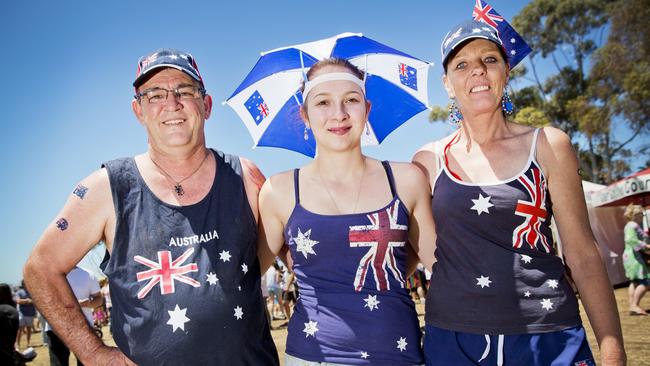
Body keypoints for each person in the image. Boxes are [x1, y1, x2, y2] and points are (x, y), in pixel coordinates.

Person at [23, 48, 279, 365]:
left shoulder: (246, 177)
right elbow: (40, 269)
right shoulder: (106, 188)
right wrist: (92, 353)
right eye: (155, 95)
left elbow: (267, 261)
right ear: (138, 110)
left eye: (184, 91)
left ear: (207, 105)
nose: (171, 104)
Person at [412, 19, 626, 365]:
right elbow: (408, 248)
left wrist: (613, 351)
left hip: (548, 336)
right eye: (462, 65)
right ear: (447, 84)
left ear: (506, 72)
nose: (478, 71)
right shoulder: (427, 160)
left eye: (490, 60)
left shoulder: (548, 145)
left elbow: (583, 253)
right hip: (454, 340)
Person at [257, 57, 436, 365]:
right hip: (312, 356)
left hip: (398, 354)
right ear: (305, 115)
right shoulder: (279, 191)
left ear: (366, 110)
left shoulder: (407, 180)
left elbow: (438, 262)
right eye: (323, 102)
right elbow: (247, 275)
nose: (338, 114)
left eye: (350, 100)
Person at [46, 267, 102, 366]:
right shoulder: (49, 274)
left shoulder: (88, 274)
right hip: (56, 328)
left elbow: (99, 299)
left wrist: (89, 303)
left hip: (84, 328)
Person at [622, 204, 650, 316]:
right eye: (640, 214)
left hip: (630, 257)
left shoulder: (629, 225)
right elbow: (631, 240)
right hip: (635, 257)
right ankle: (634, 305)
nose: (641, 216)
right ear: (634, 215)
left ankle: (632, 305)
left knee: (634, 282)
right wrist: (647, 246)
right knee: (646, 281)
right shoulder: (633, 225)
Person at [14, 281, 35, 350]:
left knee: (29, 329)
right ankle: (18, 344)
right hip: (21, 313)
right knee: (20, 329)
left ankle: (28, 343)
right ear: (23, 284)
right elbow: (18, 301)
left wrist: (30, 301)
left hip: (30, 313)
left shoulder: (32, 291)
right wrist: (27, 301)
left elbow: (36, 300)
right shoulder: (19, 292)